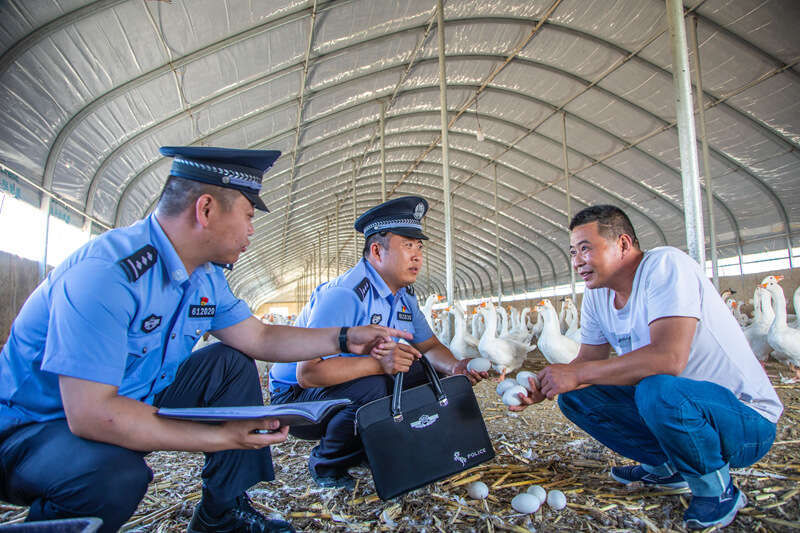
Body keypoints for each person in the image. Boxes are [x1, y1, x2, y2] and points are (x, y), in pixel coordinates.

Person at [0, 146, 416, 533]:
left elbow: (260, 337)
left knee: (230, 363)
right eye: (249, 215)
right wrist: (221, 436)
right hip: (35, 431)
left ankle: (222, 513)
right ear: (206, 208)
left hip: (136, 397)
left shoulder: (205, 276)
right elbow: (91, 416)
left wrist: (345, 337)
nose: (252, 230)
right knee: (113, 476)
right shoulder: (107, 275)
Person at [511, 205, 782, 530]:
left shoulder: (666, 266)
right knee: (576, 398)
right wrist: (547, 385)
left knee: (658, 388)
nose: (577, 261)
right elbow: (588, 363)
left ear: (623, 244)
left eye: (586, 249)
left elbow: (669, 359)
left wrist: (578, 374)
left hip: (744, 420)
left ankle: (716, 490)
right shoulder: (597, 294)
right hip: (683, 407)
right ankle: (670, 465)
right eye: (572, 252)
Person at [269, 196, 487, 489]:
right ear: (376, 251)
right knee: (374, 385)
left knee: (424, 370)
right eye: (408, 245)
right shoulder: (346, 294)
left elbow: (430, 347)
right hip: (295, 401)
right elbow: (307, 374)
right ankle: (326, 464)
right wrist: (378, 364)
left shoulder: (404, 298)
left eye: (419, 247)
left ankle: (373, 447)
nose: (418, 255)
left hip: (339, 386)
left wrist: (455, 368)